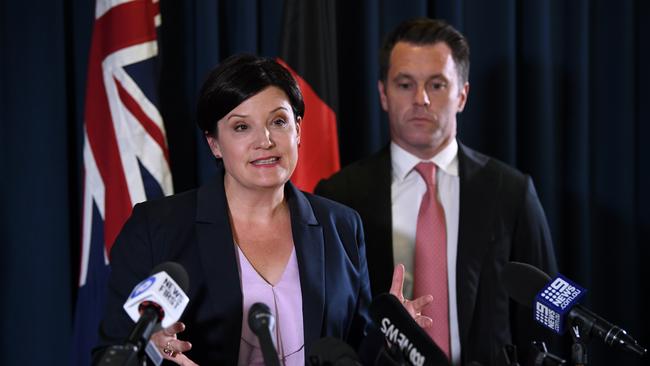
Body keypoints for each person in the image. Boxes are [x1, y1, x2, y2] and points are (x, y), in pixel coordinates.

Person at [93, 54, 432, 365]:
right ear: (214, 143)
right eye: (242, 127)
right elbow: (110, 353)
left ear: (298, 130)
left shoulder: (341, 225)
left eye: (279, 122)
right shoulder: (157, 227)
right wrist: (152, 350)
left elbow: (352, 352)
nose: (265, 140)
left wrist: (391, 335)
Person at [315, 18, 558, 366]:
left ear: (462, 95)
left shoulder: (511, 191)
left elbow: (542, 320)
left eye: (437, 84)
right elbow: (332, 322)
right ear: (383, 94)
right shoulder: (339, 195)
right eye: (404, 84)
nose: (421, 99)